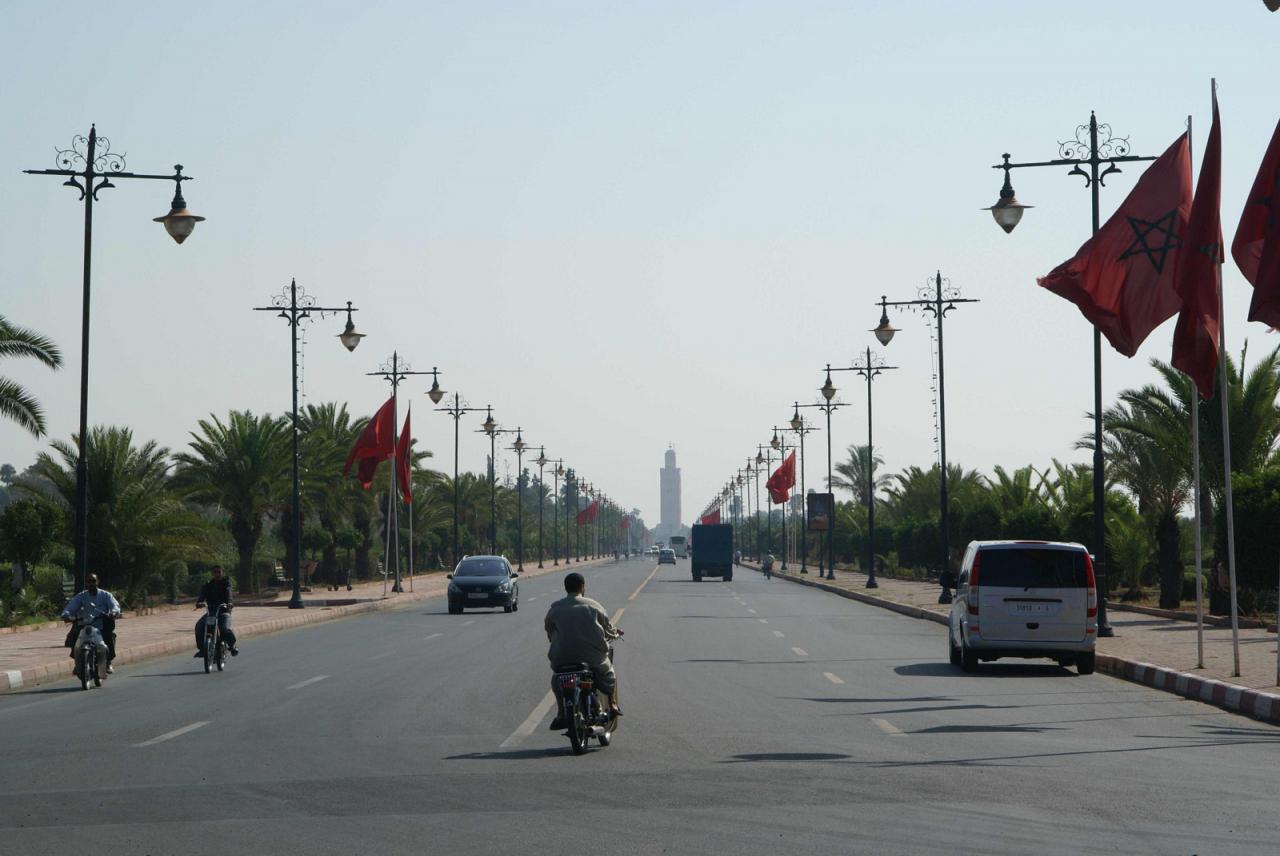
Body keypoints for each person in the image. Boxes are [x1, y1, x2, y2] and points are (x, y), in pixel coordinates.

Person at [544, 572, 622, 729]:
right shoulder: (593, 605)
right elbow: (607, 628)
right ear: (582, 587)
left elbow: (550, 631)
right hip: (592, 658)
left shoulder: (554, 608)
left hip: (562, 658)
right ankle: (612, 704)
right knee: (609, 674)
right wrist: (615, 633)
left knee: (557, 679)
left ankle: (561, 713)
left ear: (565, 588)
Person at [61, 573, 121, 673]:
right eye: (89, 581)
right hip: (85, 624)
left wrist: (113, 612)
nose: (91, 584)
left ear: (97, 582)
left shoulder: (106, 595)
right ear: (86, 583)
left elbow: (115, 606)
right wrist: (67, 615)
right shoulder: (81, 596)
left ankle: (108, 662)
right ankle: (78, 662)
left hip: (101, 624)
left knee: (108, 636)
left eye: (93, 581)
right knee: (74, 636)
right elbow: (70, 607)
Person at [193, 565, 238, 658]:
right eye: (215, 572)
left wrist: (229, 603)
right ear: (212, 573)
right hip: (211, 612)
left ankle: (232, 646)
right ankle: (202, 649)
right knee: (199, 626)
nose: (217, 574)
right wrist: (199, 602)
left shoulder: (226, 583)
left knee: (224, 629)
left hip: (223, 611)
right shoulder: (208, 584)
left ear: (222, 573)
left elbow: (229, 593)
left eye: (219, 572)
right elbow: (203, 594)